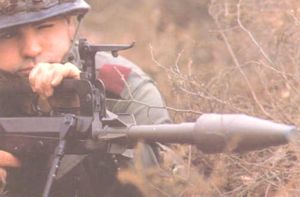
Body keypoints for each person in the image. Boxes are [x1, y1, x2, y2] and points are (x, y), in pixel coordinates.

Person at [0, 0, 170, 196]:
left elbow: (165, 182)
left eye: (44, 27)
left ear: (70, 25)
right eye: (8, 34)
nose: (31, 49)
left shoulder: (122, 89)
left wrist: (86, 116)